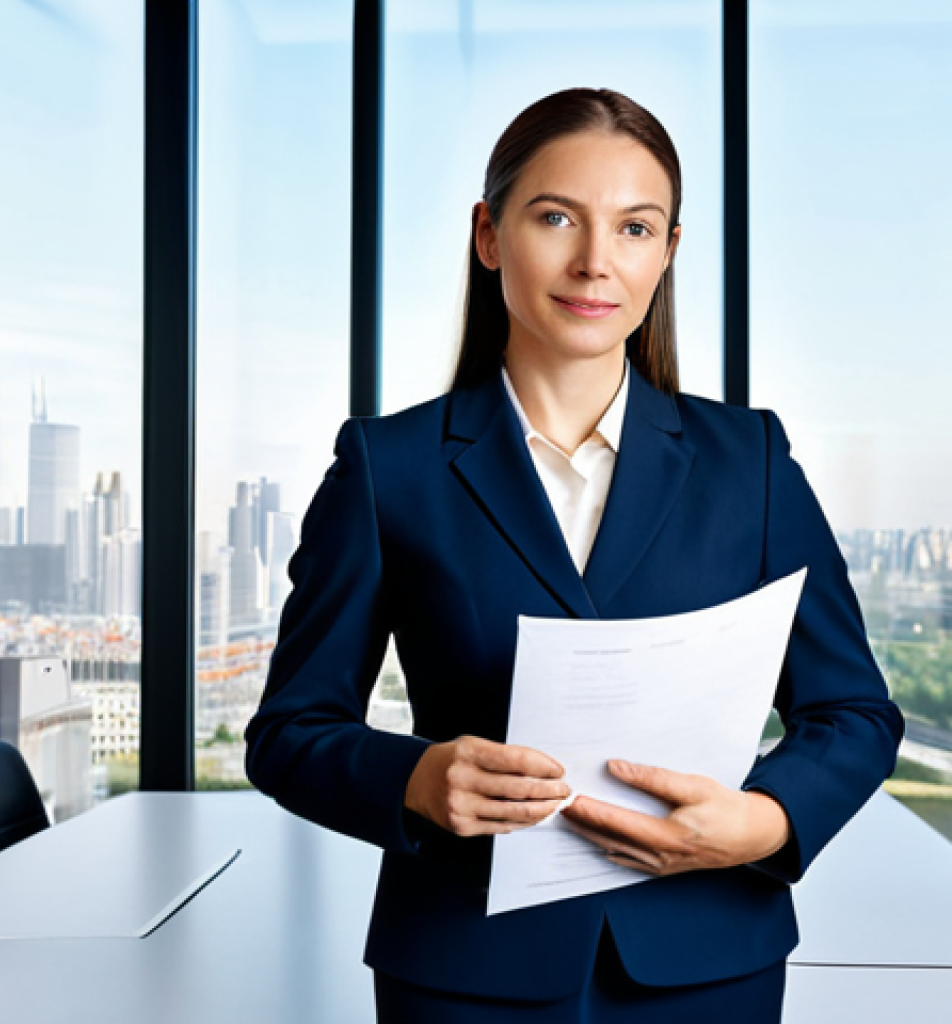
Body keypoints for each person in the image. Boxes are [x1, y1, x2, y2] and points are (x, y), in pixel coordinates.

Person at [245, 88, 904, 1023]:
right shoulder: (388, 469)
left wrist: (765, 821)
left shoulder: (749, 461)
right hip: (465, 967)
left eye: (635, 229)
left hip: (708, 955)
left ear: (668, 252)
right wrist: (418, 781)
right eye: (556, 217)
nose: (597, 262)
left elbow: (853, 710)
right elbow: (289, 732)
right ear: (489, 234)